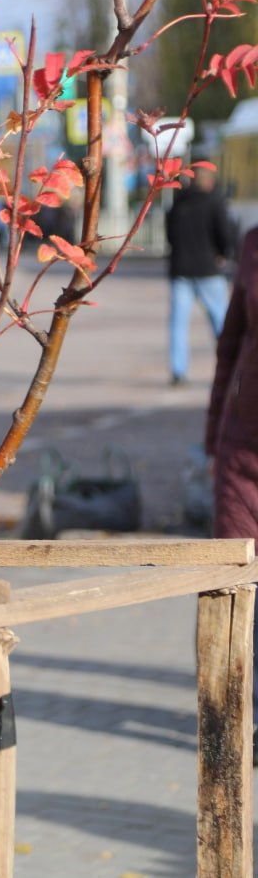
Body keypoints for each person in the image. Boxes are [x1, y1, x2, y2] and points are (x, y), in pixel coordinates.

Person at [206, 224, 258, 755]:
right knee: (241, 590)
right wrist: (213, 434)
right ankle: (245, 720)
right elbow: (231, 344)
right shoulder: (253, 243)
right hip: (244, 452)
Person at [164, 165, 237, 386]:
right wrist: (223, 254)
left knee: (178, 324)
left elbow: (170, 235)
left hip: (181, 271)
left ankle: (178, 372)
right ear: (210, 182)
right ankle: (231, 367)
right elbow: (225, 233)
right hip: (208, 270)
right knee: (221, 323)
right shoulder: (215, 202)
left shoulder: (178, 203)